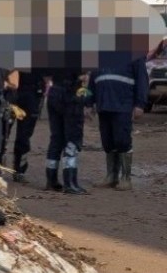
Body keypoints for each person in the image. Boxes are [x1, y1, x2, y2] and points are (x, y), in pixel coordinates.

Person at [88, 55, 149, 190]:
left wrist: (140, 104)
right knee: (108, 142)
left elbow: (142, 80)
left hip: (122, 104)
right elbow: (92, 80)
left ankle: (126, 178)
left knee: (122, 141)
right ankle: (111, 176)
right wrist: (88, 103)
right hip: (103, 104)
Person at [43, 69, 90, 194]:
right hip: (71, 95)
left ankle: (51, 181)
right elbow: (82, 74)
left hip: (54, 93)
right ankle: (70, 183)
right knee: (72, 138)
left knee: (56, 138)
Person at [0, 71, 45, 182]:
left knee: (24, 136)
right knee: (3, 133)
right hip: (11, 93)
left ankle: (19, 170)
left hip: (31, 94)